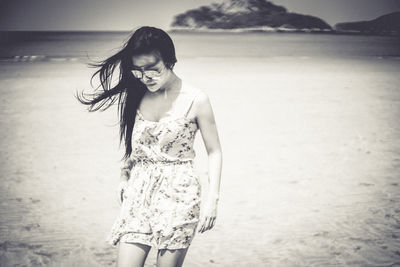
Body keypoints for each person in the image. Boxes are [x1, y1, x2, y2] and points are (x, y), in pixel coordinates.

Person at [75, 26, 222, 267]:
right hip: (139, 190)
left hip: (179, 192)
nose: (145, 77)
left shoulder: (196, 99)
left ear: (170, 60)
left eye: (153, 69)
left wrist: (212, 199)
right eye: (138, 71)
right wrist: (124, 177)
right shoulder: (136, 95)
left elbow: (214, 151)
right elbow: (135, 146)